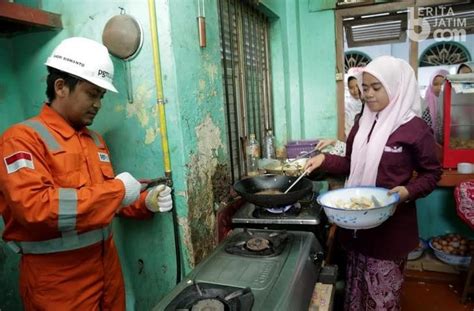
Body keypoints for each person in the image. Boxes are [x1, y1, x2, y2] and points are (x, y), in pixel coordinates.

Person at [0, 37, 173, 310]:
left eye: (101, 97)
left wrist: (145, 202)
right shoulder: (22, 139)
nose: (98, 104)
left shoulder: (95, 141)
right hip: (58, 283)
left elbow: (104, 204)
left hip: (107, 272)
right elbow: (35, 209)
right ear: (61, 87)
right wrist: (118, 190)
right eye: (92, 93)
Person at [305, 56, 442, 310]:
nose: (368, 94)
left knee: (382, 298)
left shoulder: (414, 129)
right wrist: (324, 159)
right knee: (356, 291)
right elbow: (350, 163)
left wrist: (407, 191)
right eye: (365, 87)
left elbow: (432, 174)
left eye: (376, 88)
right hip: (356, 228)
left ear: (395, 87)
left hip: (390, 230)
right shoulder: (363, 122)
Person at [421, 69, 448, 134]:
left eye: (443, 84)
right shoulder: (426, 107)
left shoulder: (456, 105)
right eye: (435, 84)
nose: (439, 87)